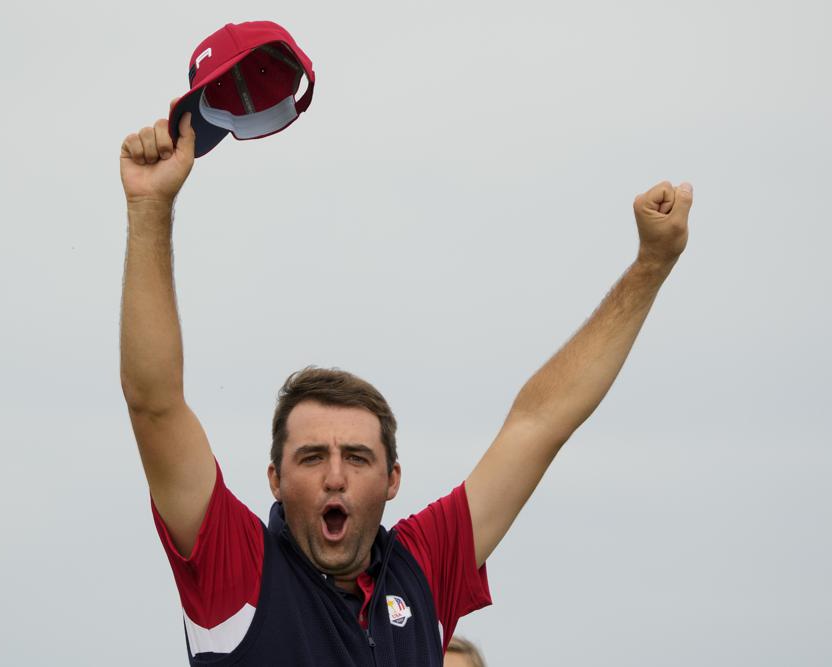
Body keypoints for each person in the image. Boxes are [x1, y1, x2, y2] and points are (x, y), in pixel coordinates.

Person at [118, 104, 694, 666]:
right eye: (313, 456)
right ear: (275, 478)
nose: (336, 476)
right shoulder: (237, 568)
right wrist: (150, 207)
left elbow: (540, 423)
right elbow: (155, 406)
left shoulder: (421, 569)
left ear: (394, 479)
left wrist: (650, 267)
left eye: (359, 457)